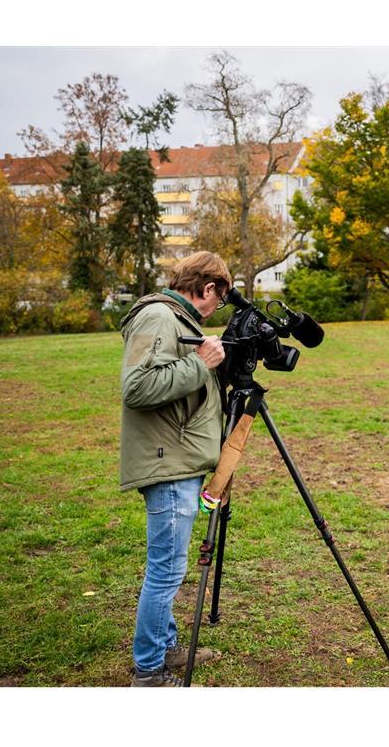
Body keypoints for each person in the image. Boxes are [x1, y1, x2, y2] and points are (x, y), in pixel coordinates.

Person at [118, 251, 233, 687]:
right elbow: (137, 387)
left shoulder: (177, 321)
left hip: (178, 458)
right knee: (166, 569)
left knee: (170, 566)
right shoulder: (159, 319)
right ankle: (148, 672)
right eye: (217, 301)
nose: (215, 309)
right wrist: (200, 363)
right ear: (207, 289)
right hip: (168, 465)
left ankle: (165, 646)